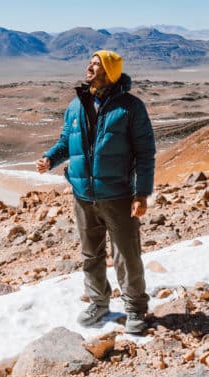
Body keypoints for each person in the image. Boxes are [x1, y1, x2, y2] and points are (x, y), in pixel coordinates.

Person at [36, 50, 156, 334]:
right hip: (83, 194)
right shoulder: (76, 105)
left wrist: (141, 194)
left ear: (110, 72)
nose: (89, 68)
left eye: (96, 64)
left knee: (126, 254)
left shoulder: (130, 108)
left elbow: (145, 153)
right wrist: (50, 158)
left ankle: (135, 309)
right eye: (89, 63)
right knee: (90, 254)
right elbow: (67, 141)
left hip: (117, 195)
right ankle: (98, 302)